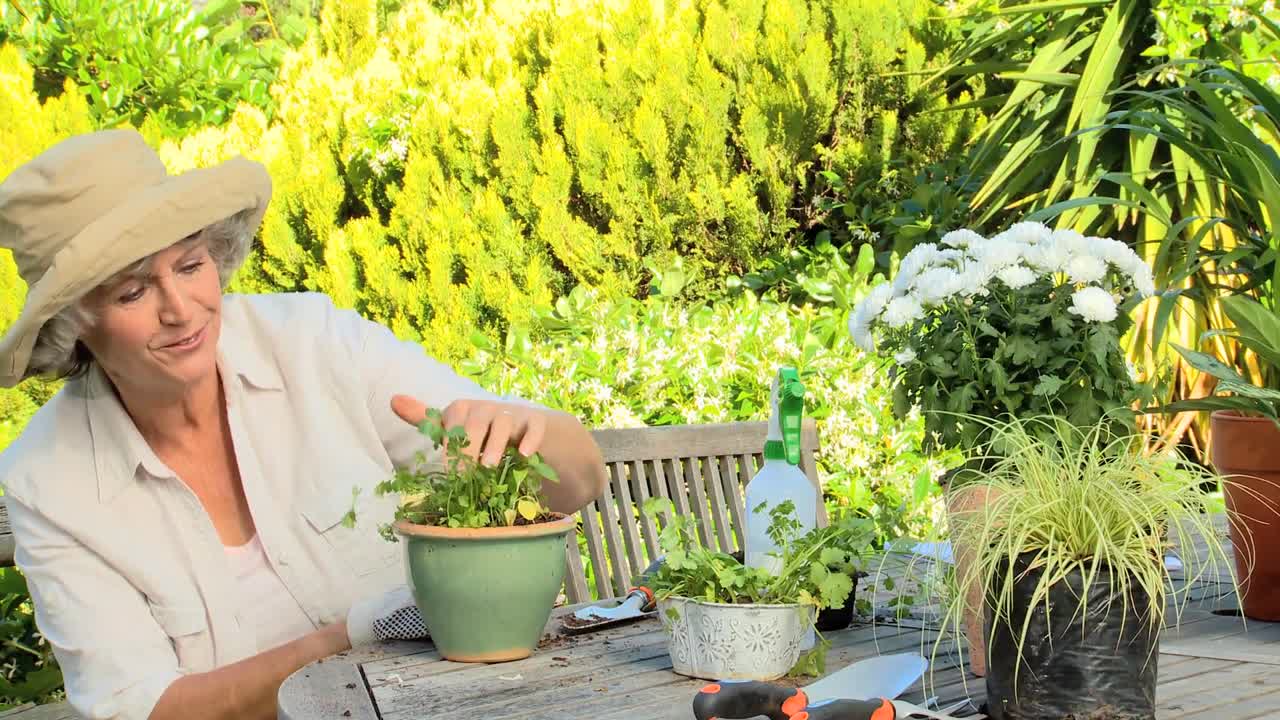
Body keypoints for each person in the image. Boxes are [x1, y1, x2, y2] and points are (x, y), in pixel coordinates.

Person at [0, 129, 608, 720]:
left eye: (189, 266)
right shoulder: (50, 483)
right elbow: (142, 710)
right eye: (132, 293)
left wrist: (520, 437)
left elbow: (577, 479)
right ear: (73, 324)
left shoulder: (313, 343)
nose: (180, 310)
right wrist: (357, 634)